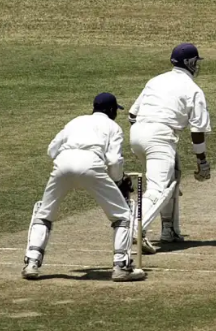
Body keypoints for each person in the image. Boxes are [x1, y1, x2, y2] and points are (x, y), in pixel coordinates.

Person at [22, 93, 145, 282]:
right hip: (91, 165)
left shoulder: (76, 121)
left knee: (44, 214)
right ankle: (121, 266)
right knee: (123, 215)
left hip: (63, 163)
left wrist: (66, 166)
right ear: (112, 110)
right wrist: (119, 181)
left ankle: (31, 263)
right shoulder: (113, 126)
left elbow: (51, 150)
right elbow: (114, 160)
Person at [128, 43, 212, 253]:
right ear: (191, 63)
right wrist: (202, 161)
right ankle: (133, 231)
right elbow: (197, 130)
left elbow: (131, 115)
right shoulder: (193, 89)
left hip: (137, 133)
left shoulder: (155, 80)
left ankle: (170, 230)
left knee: (172, 176)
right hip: (160, 136)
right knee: (159, 188)